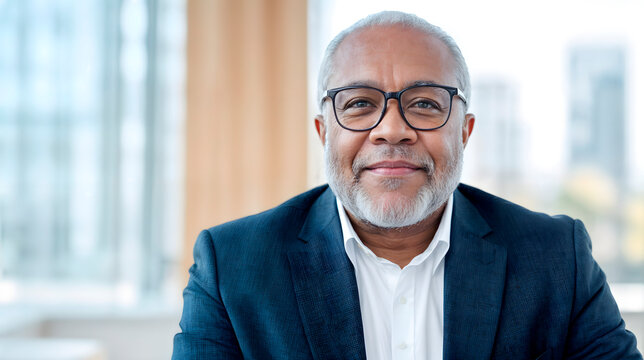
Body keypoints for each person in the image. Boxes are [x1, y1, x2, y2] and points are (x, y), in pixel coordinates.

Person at [172, 11, 642, 360]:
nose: (392, 129)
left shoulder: (557, 258)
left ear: (464, 130)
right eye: (358, 103)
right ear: (323, 132)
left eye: (424, 103)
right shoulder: (231, 265)